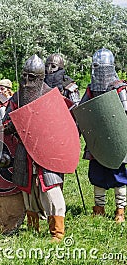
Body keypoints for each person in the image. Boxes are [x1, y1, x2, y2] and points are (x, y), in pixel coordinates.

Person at [3, 55, 69, 242]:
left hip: (46, 150)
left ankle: (57, 231)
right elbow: (6, 120)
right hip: (24, 149)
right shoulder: (17, 96)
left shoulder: (51, 95)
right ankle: (33, 228)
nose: (26, 81)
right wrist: (11, 125)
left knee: (50, 188)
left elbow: (60, 123)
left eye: (31, 77)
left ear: (40, 78)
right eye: (24, 76)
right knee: (28, 189)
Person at [79, 48, 127, 223]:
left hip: (116, 141)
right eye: (96, 67)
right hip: (97, 140)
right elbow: (82, 111)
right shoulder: (91, 89)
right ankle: (98, 208)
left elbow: (124, 114)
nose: (98, 71)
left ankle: (120, 210)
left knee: (118, 176)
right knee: (97, 175)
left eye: (101, 68)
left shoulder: (120, 88)